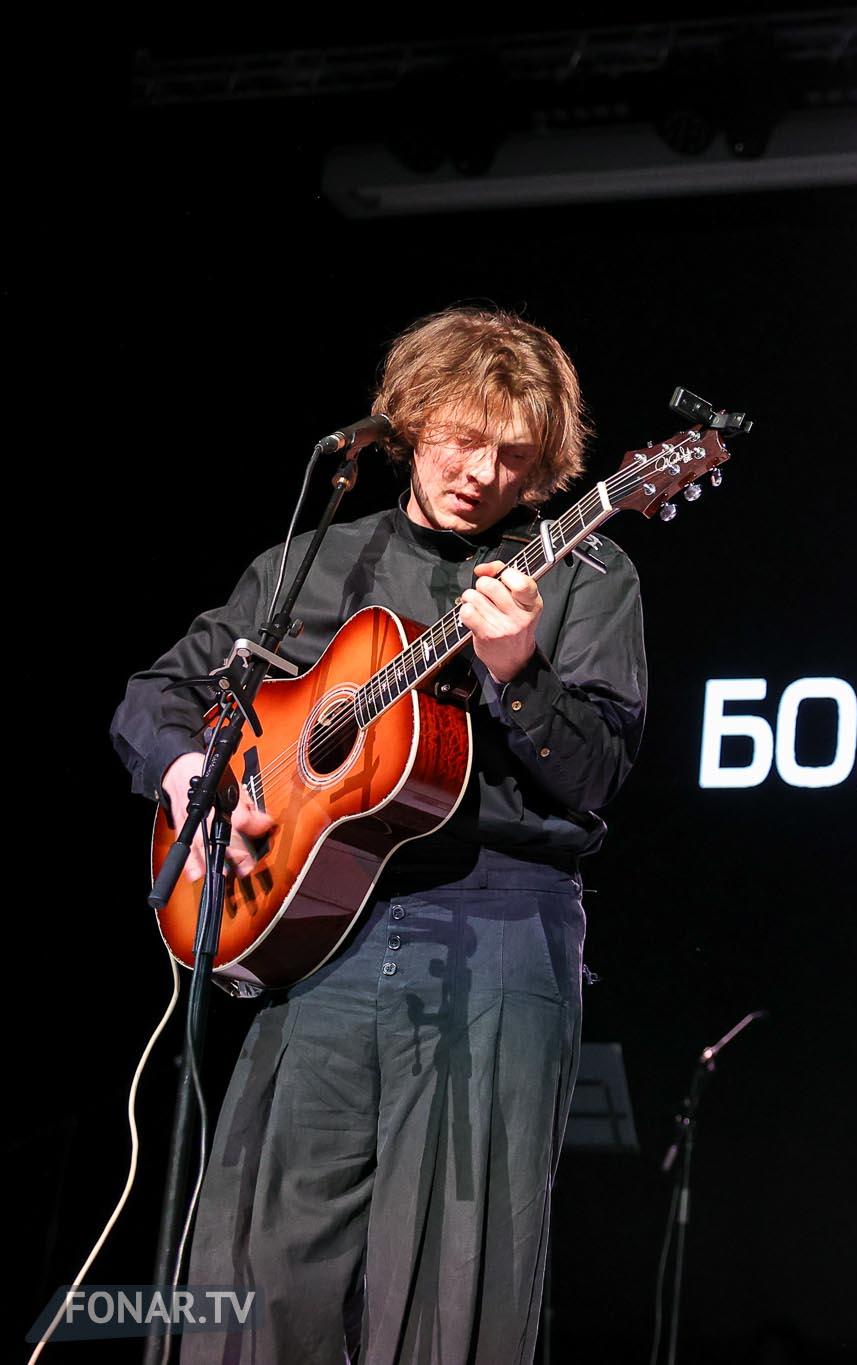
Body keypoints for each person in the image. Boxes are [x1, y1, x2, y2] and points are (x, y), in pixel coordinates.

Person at [110, 306, 648, 1363]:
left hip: (493, 937)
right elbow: (156, 694)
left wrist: (518, 673)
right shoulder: (320, 566)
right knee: (258, 1269)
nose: (482, 473)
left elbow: (596, 777)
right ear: (410, 421)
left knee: (455, 1277)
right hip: (317, 939)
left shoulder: (584, 573)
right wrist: (185, 774)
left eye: (513, 456)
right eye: (463, 439)